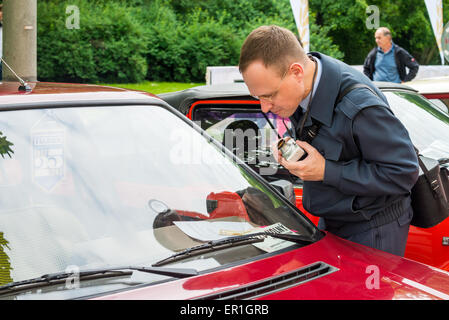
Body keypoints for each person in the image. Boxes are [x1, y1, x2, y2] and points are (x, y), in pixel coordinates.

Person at [238, 25, 419, 256]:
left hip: (373, 229)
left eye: (269, 95)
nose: (265, 107)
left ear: (296, 72)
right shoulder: (308, 81)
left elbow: (403, 172)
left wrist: (325, 170)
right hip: (334, 219)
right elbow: (323, 133)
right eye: (258, 96)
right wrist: (289, 141)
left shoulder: (359, 106)